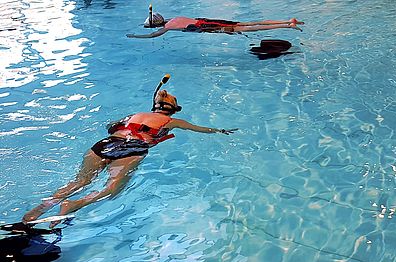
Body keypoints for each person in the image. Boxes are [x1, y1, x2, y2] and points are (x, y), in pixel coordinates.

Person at [22, 75, 236, 225]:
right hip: (132, 148)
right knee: (113, 189)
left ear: (155, 104)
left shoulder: (133, 115)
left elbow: (111, 126)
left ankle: (37, 211)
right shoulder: (171, 120)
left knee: (78, 182)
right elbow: (199, 129)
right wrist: (220, 130)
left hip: (105, 143)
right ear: (173, 107)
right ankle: (74, 204)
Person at [127, 8, 304, 39]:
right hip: (208, 21)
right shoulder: (174, 18)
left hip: (207, 27)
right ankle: (288, 20)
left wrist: (134, 36)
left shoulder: (168, 26)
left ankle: (287, 26)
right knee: (248, 23)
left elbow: (152, 35)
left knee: (249, 28)